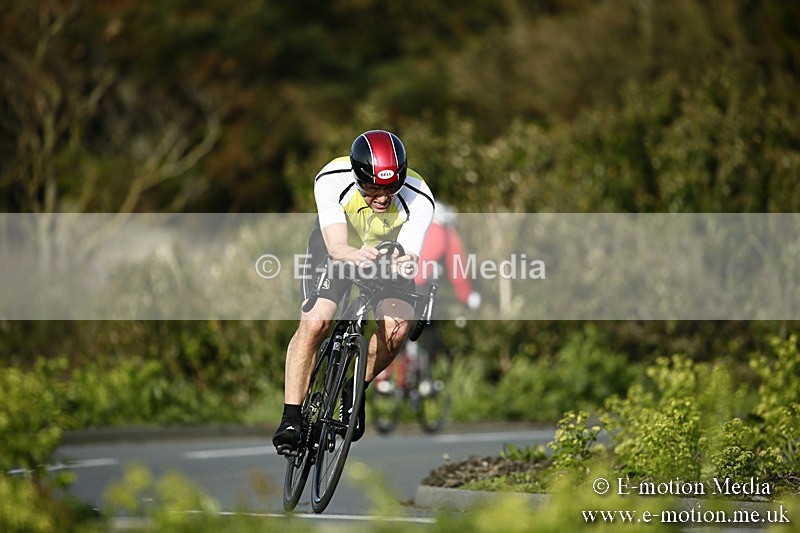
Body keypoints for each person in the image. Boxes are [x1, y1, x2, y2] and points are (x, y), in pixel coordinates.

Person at [272, 130, 435, 455]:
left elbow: (410, 256)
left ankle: (354, 386)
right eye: (372, 187)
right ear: (357, 175)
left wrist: (403, 266)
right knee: (317, 321)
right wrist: (351, 255)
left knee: (396, 328)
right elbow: (336, 246)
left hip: (385, 254)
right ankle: (291, 416)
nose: (382, 196)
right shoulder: (332, 179)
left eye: (390, 187)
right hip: (337, 246)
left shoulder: (419, 196)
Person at [374, 201, 480, 391]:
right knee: (429, 329)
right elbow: (458, 269)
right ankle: (426, 381)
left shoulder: (410, 224)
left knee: (397, 327)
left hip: (394, 281)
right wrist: (467, 296)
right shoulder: (445, 232)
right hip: (421, 287)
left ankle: (384, 372)